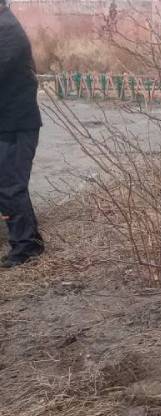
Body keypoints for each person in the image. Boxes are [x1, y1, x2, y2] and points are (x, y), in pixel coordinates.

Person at [0, 0, 44, 268]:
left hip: (16, 125)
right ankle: (28, 240)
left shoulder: (7, 31)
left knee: (11, 186)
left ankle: (27, 246)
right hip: (8, 123)